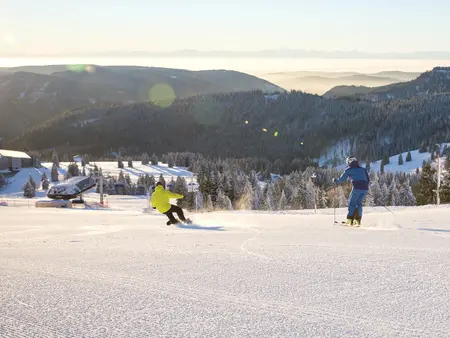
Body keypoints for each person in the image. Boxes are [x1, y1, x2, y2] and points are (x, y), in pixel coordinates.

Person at [333, 156, 370, 226]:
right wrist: (364, 186)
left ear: (349, 162)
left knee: (352, 203)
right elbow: (368, 179)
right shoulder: (363, 169)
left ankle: (349, 220)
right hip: (365, 188)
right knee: (359, 204)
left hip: (357, 188)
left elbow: (342, 179)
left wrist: (336, 181)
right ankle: (357, 220)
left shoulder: (349, 170)